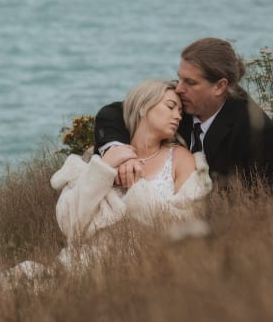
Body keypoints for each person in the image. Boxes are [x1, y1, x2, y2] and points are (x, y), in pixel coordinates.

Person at [94, 38, 273, 190]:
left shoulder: (262, 135)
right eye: (180, 78)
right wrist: (121, 153)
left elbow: (262, 204)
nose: (179, 88)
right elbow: (112, 113)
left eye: (190, 82)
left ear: (220, 86)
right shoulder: (181, 102)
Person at [52, 79, 212, 241]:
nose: (177, 116)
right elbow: (69, 225)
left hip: (149, 260)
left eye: (180, 112)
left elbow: (186, 226)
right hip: (86, 261)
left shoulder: (181, 158)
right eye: (170, 107)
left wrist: (137, 186)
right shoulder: (103, 156)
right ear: (143, 107)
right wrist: (104, 167)